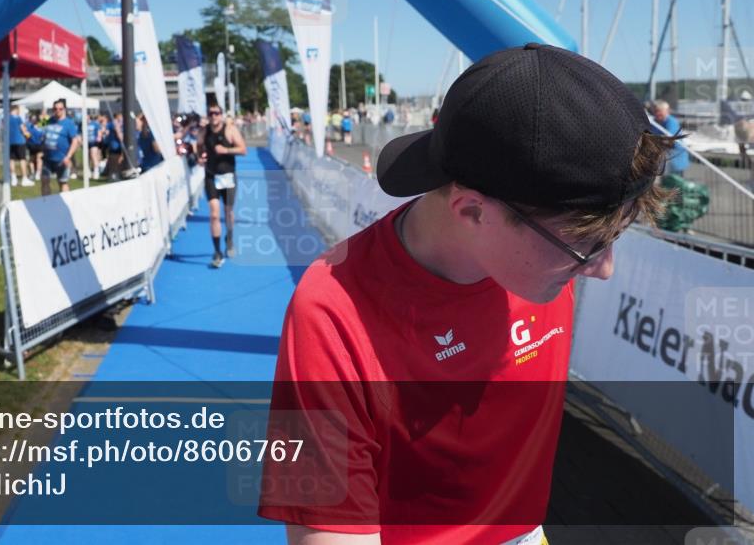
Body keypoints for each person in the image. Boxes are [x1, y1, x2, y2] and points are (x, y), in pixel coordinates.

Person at [258, 44, 675, 544]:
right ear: (473, 211)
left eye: (614, 237)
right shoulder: (334, 312)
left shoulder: (536, 258)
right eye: (585, 244)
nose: (603, 269)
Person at [198, 104, 247, 268]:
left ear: (221, 115)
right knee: (214, 214)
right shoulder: (204, 131)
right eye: (211, 113)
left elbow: (243, 149)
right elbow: (198, 146)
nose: (214, 116)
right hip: (211, 175)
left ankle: (230, 237)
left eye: (217, 113)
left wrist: (225, 150)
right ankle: (217, 252)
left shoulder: (230, 129)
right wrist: (200, 157)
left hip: (228, 176)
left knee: (228, 212)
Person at [41, 98, 81, 195]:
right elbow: (39, 127)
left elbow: (75, 141)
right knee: (44, 180)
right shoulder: (49, 120)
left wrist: (68, 157)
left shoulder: (69, 123)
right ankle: (46, 204)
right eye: (55, 109)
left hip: (62, 159)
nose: (57, 111)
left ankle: (65, 205)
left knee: (62, 182)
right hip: (48, 158)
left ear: (64, 109)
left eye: (60, 109)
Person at [652, 100, 689, 175]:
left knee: (674, 181)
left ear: (667, 111)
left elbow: (669, 139)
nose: (657, 113)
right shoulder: (654, 123)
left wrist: (656, 141)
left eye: (660, 111)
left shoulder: (671, 122)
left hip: (675, 158)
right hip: (662, 159)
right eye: (656, 111)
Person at [7, 105, 34, 187]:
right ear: (16, 110)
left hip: (10, 141)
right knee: (22, 159)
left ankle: (13, 178)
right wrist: (28, 134)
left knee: (11, 160)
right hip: (19, 141)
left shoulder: (6, 118)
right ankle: (24, 178)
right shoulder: (17, 118)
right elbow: (23, 129)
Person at [25, 111, 45, 181]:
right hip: (35, 144)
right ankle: (36, 173)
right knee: (37, 159)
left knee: (34, 159)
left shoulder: (29, 126)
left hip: (34, 144)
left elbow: (26, 135)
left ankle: (35, 173)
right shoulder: (41, 125)